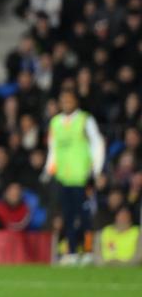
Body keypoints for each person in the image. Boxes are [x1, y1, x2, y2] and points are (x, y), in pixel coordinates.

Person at [43, 90, 105, 266]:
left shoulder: (85, 120)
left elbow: (98, 144)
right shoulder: (55, 122)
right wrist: (48, 170)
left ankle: (88, 251)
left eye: (69, 101)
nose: (66, 104)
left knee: (85, 215)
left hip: (82, 177)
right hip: (64, 177)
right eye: (63, 101)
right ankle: (71, 251)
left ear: (76, 102)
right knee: (68, 216)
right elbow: (53, 149)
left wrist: (96, 170)